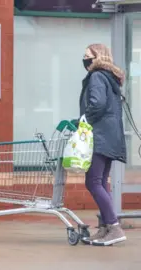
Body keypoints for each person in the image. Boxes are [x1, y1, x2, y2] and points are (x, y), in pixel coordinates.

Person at [79, 44, 127, 246]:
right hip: (110, 136)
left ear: (97, 57)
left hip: (100, 136)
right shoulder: (110, 78)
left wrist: (83, 120)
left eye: (87, 56)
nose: (84, 59)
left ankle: (114, 227)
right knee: (101, 182)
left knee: (93, 181)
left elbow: (97, 104)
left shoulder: (97, 76)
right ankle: (106, 228)